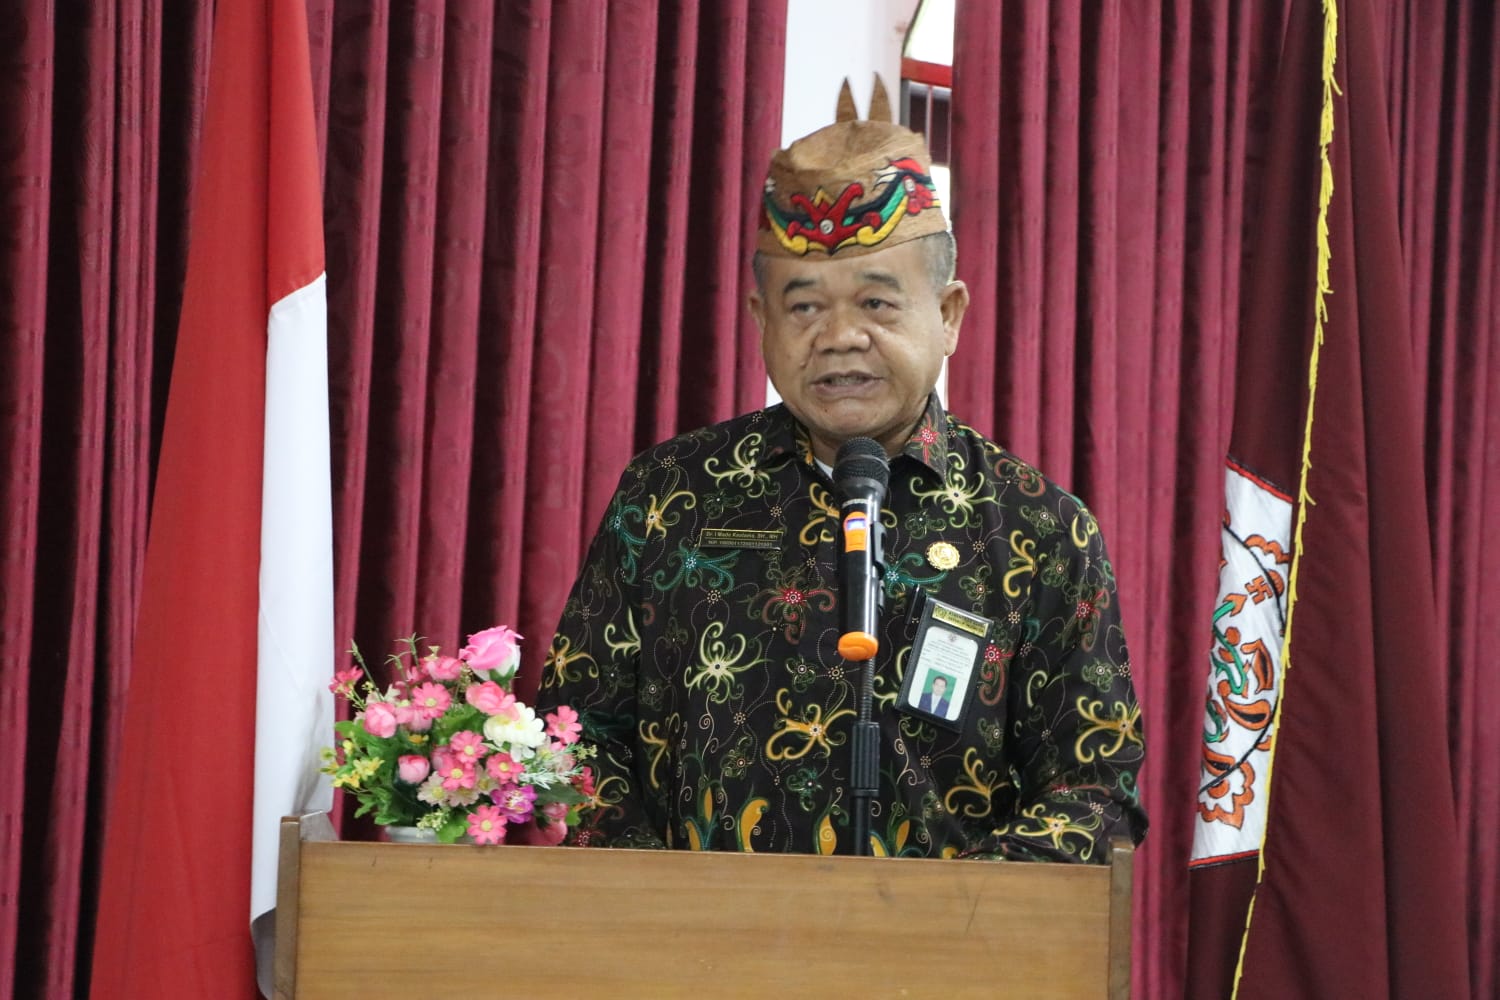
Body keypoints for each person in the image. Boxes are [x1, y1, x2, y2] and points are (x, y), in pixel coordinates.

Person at [536, 101, 1146, 862]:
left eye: (877, 303)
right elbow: (574, 735)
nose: (840, 337)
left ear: (949, 315)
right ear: (761, 319)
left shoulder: (1037, 526)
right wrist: (660, 899)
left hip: (945, 937)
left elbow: (1093, 786)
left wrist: (952, 914)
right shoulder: (668, 495)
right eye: (804, 306)